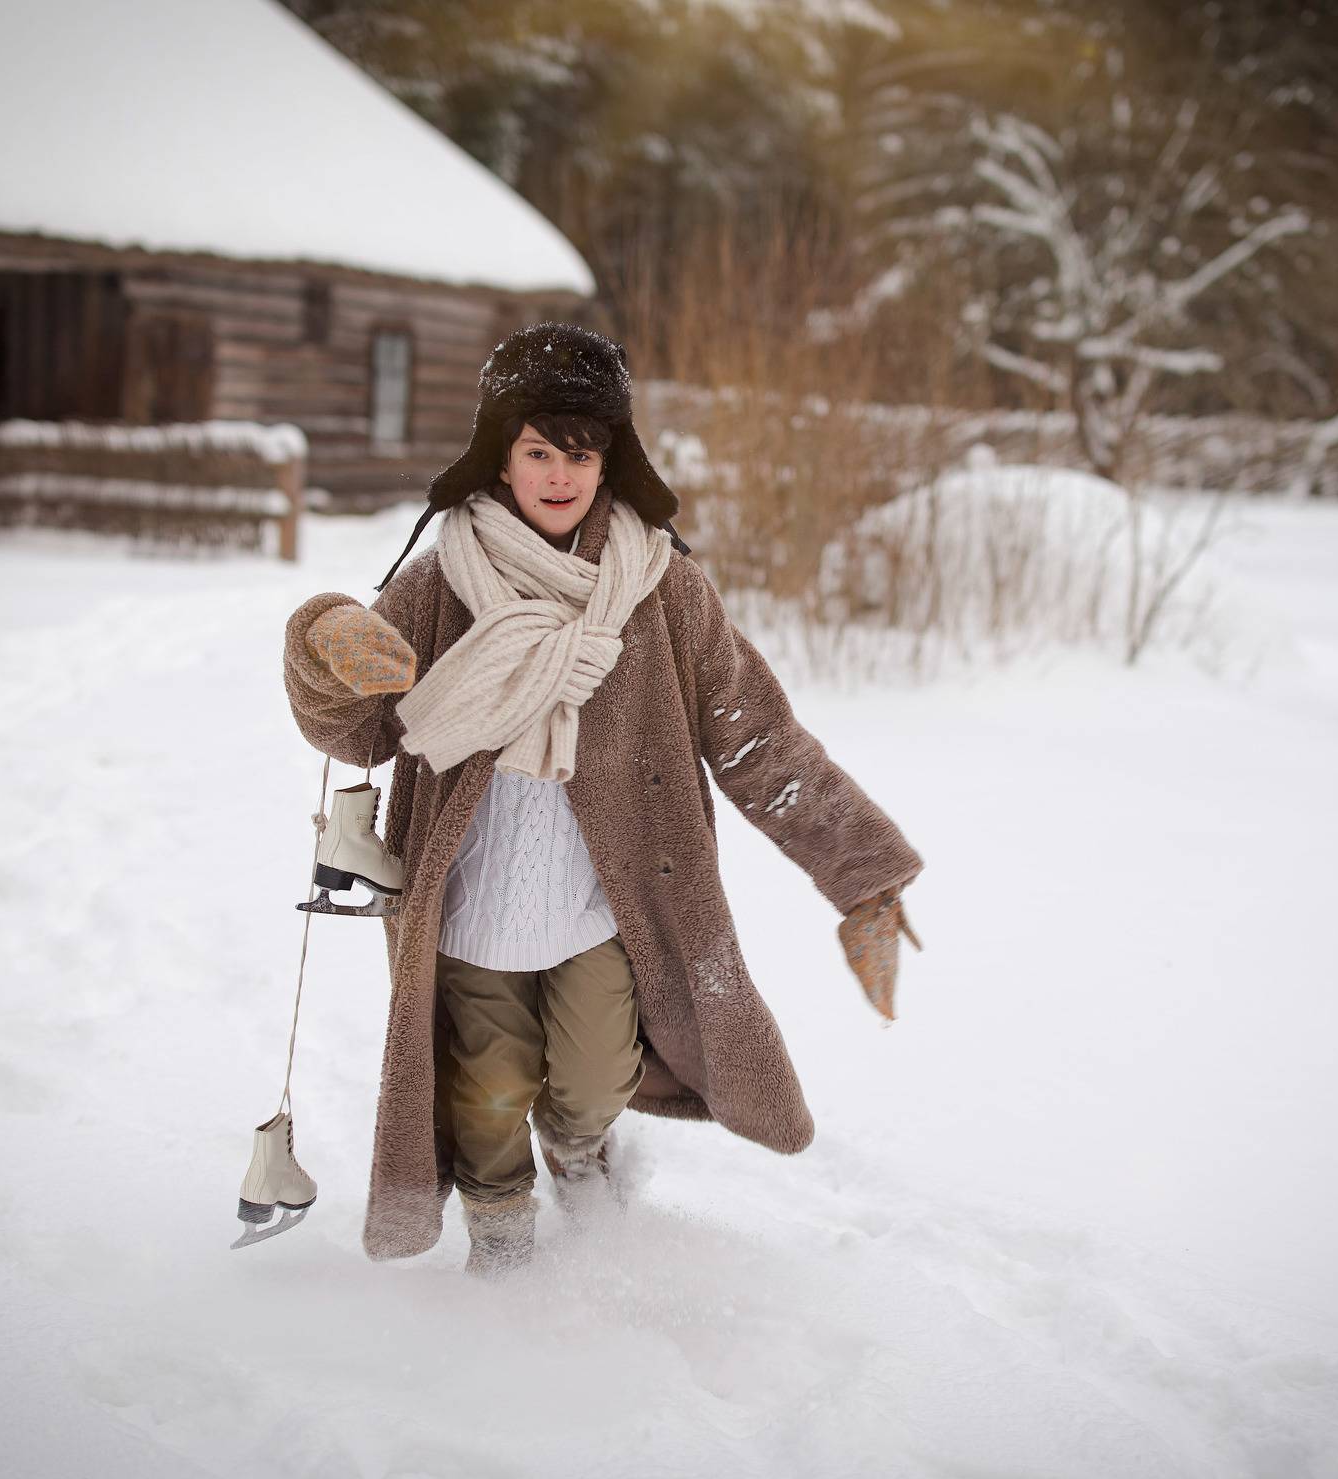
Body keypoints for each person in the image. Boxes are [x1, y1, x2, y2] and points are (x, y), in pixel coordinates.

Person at [283, 321, 923, 1277]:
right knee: (487, 1097)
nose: (559, 475)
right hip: (470, 905)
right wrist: (323, 643)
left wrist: (863, 874)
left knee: (590, 1082)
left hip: (600, 907)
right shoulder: (437, 583)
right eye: (538, 451)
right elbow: (360, 732)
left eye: (580, 454)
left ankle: (582, 1160)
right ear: (500, 457)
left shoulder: (663, 589)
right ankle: (504, 1272)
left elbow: (758, 738)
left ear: (610, 460)